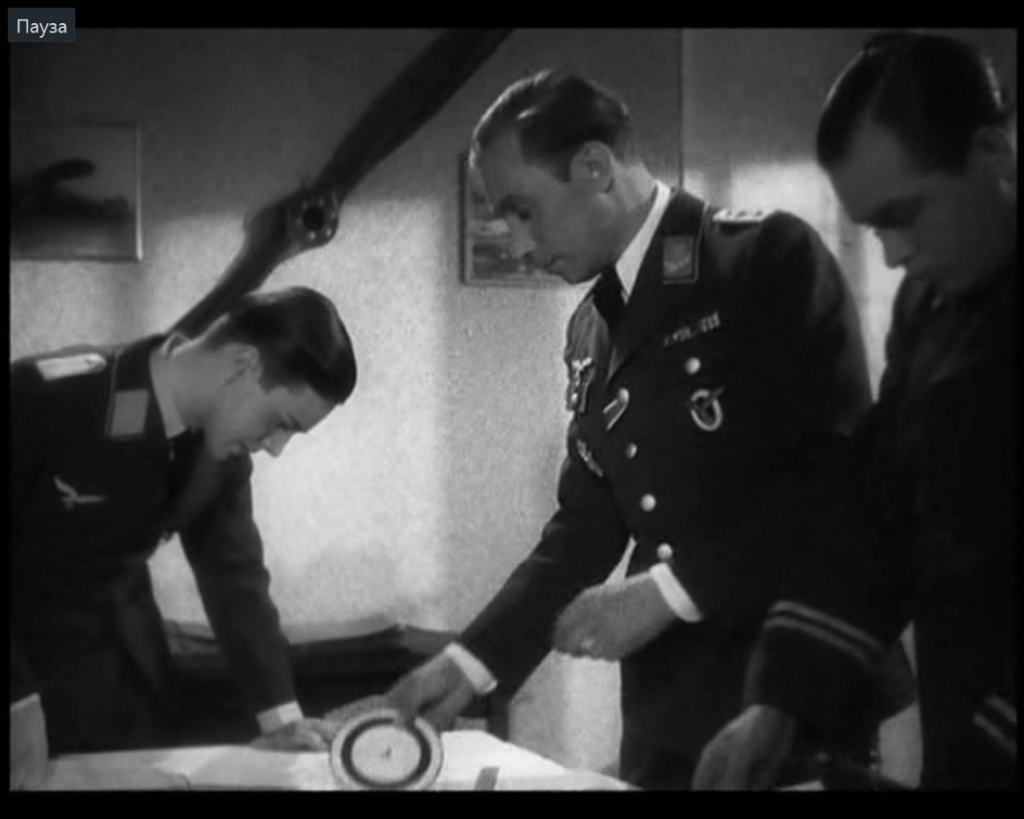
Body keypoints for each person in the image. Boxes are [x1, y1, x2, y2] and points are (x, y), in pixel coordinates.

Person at [385, 68, 913, 790]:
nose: (518, 244)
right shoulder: (591, 326)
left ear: (594, 167)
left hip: (791, 693)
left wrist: (670, 589)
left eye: (523, 211)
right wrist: (470, 662)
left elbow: (836, 481)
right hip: (666, 708)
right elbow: (584, 529)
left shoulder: (761, 259)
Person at [10, 285, 358, 789]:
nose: (276, 448)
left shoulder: (221, 455)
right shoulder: (47, 397)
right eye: (280, 423)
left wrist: (281, 720)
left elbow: (235, 580)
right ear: (243, 365)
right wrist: (16, 698)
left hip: (127, 692)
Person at [815, 31, 1015, 790]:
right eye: (875, 227)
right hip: (962, 713)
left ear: (992, 152)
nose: (893, 254)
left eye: (906, 214)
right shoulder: (929, 304)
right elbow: (884, 502)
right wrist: (783, 698)